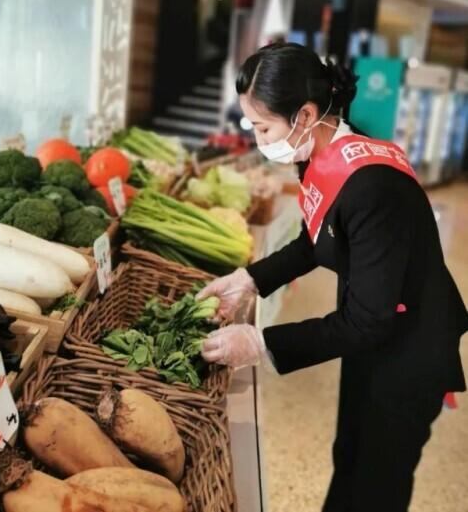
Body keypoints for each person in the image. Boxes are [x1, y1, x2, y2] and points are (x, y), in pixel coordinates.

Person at [198, 43, 468, 512]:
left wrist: (262, 343)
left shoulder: (372, 185)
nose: (259, 139)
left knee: (377, 480)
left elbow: (368, 320)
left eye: (262, 127)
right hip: (375, 334)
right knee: (351, 454)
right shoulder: (325, 150)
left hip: (409, 349)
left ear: (303, 115)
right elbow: (314, 240)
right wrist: (249, 279)